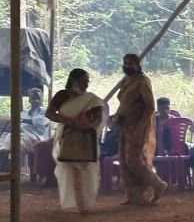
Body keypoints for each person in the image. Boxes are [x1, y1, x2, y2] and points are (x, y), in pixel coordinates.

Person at [46, 69, 105, 212]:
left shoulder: (91, 99)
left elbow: (99, 118)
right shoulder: (62, 95)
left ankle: (84, 203)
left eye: (87, 81)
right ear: (73, 81)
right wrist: (69, 121)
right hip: (67, 137)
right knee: (67, 169)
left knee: (86, 170)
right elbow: (49, 113)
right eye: (83, 81)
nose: (86, 84)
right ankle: (70, 203)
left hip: (85, 138)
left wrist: (87, 126)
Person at [113, 53, 167, 205]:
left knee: (134, 161)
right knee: (124, 161)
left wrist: (140, 126)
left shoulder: (143, 81)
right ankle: (134, 196)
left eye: (131, 63)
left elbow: (150, 106)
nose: (127, 66)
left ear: (137, 65)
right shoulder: (127, 81)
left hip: (138, 126)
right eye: (125, 63)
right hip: (124, 126)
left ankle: (158, 184)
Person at [0, 88, 51, 172]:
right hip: (20, 135)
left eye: (38, 98)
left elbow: (41, 123)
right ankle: (5, 159)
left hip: (36, 138)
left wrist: (23, 120)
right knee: (10, 138)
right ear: (29, 100)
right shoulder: (23, 113)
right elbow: (17, 125)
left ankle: (13, 167)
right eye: (33, 98)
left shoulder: (46, 112)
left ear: (42, 99)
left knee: (19, 143)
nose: (36, 101)